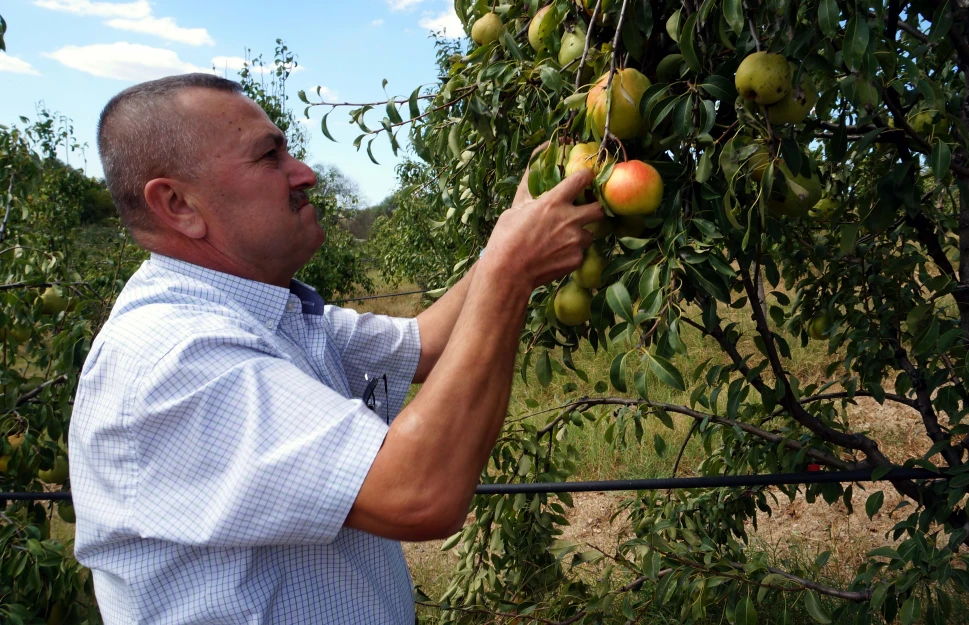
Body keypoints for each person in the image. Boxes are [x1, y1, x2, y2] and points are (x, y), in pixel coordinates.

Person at [69, 73, 602, 624]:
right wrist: (510, 273)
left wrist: (512, 232)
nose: (306, 173)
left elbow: (427, 344)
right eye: (269, 157)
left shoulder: (272, 315)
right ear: (178, 204)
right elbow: (420, 492)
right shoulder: (175, 358)